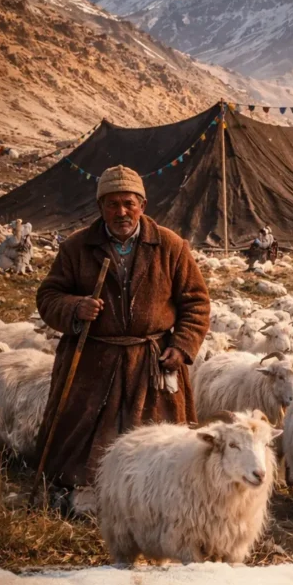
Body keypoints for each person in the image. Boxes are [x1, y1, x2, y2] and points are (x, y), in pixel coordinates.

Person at [34, 165, 210, 499]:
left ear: (142, 205)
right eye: (112, 204)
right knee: (81, 438)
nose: (121, 212)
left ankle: (156, 493)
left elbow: (196, 302)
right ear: (100, 207)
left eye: (128, 203)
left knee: (157, 435)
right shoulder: (77, 247)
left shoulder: (170, 246)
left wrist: (182, 344)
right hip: (93, 360)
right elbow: (48, 296)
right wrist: (74, 308)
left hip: (152, 360)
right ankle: (83, 492)